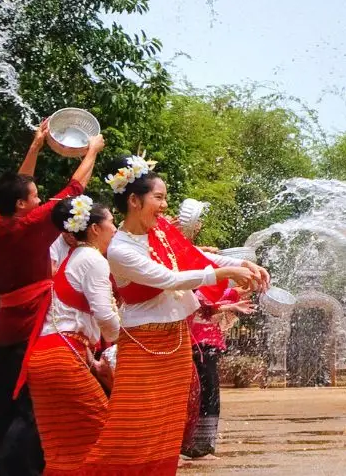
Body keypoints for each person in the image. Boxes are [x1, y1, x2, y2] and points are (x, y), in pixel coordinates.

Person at [79, 157, 265, 476]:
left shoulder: (160, 230)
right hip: (144, 344)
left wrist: (239, 264)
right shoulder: (120, 249)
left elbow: (193, 255)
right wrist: (225, 272)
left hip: (176, 339)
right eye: (159, 198)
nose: (165, 206)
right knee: (134, 425)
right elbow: (169, 278)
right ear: (134, 201)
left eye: (165, 197)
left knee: (167, 426)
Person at [0, 121, 104, 476]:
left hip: (6, 323)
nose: (39, 199)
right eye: (35, 197)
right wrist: (93, 150)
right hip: (31, 321)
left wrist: (35, 147)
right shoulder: (29, 225)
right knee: (32, 405)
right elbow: (74, 190)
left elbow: (18, 189)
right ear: (24, 205)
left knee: (7, 401)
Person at [17, 197, 119, 476]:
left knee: (64, 448)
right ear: (95, 229)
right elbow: (106, 319)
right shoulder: (93, 260)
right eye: (111, 222)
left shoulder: (74, 257)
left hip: (50, 357)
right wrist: (133, 338)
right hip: (61, 359)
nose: (115, 228)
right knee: (104, 436)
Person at [177, 199, 256, 460]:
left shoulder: (199, 264)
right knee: (202, 390)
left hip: (204, 339)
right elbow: (199, 303)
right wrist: (224, 304)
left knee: (208, 389)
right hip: (193, 338)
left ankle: (202, 443)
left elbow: (211, 297)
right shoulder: (191, 265)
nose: (199, 225)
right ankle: (194, 443)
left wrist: (232, 297)